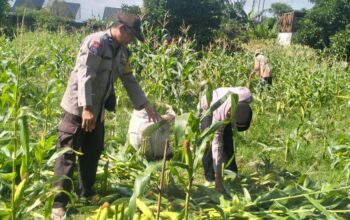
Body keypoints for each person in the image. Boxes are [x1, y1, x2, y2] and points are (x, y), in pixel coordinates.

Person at [51, 13, 160, 219]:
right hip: (78, 109)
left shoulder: (122, 52)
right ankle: (58, 203)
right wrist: (86, 107)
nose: (132, 41)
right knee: (67, 153)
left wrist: (145, 105)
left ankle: (86, 191)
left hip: (97, 111)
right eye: (131, 36)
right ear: (121, 29)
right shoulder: (96, 42)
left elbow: (129, 79)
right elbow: (85, 73)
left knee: (93, 152)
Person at [200, 87, 253, 193]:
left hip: (227, 105)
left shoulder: (247, 97)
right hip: (208, 108)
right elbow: (217, 144)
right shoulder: (218, 115)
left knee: (228, 142)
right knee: (208, 145)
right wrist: (218, 177)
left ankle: (232, 175)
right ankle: (210, 179)